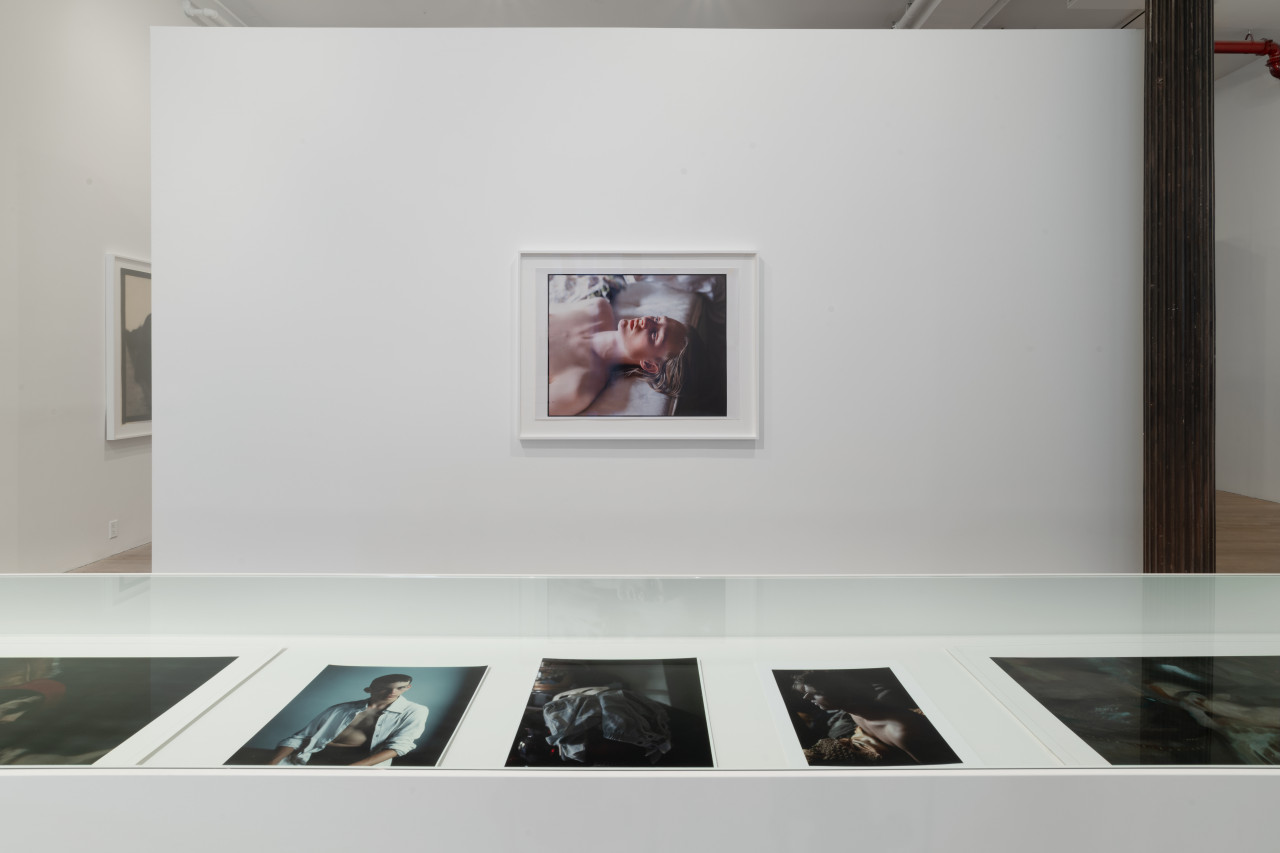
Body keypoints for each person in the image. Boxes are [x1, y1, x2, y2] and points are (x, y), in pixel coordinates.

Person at [547, 297, 691, 416]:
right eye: (657, 319)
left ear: (649, 365)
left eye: (654, 334)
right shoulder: (598, 306)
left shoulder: (579, 387)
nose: (646, 320)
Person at [792, 671, 959, 766]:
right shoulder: (852, 709)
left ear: (843, 692)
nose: (806, 698)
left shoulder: (900, 731)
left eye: (816, 693)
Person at [267, 674, 428, 767]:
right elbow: (300, 737)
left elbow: (400, 746)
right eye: (385, 688)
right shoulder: (341, 708)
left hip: (360, 763)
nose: (392, 692)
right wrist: (272, 763)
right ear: (369, 689)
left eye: (400, 688)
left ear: (408, 688)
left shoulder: (415, 711)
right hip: (314, 756)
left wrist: (351, 770)